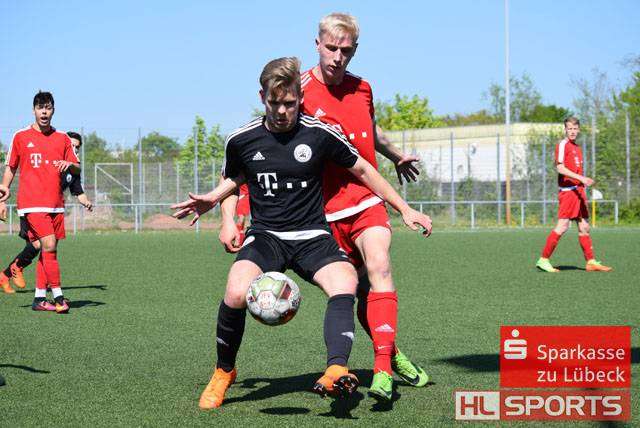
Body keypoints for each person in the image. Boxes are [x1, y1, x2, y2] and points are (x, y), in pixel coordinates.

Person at [172, 57, 432, 410]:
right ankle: (224, 371)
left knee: (345, 282)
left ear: (300, 98)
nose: (282, 111)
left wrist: (404, 208)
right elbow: (233, 178)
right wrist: (225, 215)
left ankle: (336, 369)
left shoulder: (319, 133)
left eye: (290, 103)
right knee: (235, 290)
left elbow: (364, 170)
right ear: (262, 97)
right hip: (267, 236)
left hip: (312, 235)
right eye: (274, 103)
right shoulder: (241, 139)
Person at [299, 12, 429, 400]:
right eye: (331, 48)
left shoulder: (363, 88)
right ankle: (392, 351)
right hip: (323, 212)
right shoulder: (299, 91)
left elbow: (370, 130)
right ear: (317, 44)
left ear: (355, 50)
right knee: (358, 299)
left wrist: (395, 155)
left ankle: (383, 370)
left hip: (367, 199)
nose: (338, 57)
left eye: (347, 51)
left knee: (380, 265)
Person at [0, 91, 81, 313]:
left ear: (53, 110)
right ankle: (59, 298)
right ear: (34, 110)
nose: (44, 112)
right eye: (40, 108)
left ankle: (39, 299)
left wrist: (69, 164)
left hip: (56, 204)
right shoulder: (20, 136)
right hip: (32, 204)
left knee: (47, 251)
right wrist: (4, 189)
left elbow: (77, 167)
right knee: (49, 245)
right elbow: (11, 167)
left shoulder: (63, 138)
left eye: (48, 108)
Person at [0, 131, 92, 295]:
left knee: (47, 246)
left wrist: (86, 202)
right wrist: (2, 200)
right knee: (39, 245)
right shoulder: (50, 158)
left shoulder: (72, 170)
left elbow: (78, 191)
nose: (74, 149)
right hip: (33, 206)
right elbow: (20, 170)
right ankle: (18, 268)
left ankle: (6, 276)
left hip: (53, 210)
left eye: (77, 147)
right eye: (71, 145)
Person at [536, 117, 612, 273]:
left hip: (579, 192)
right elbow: (560, 168)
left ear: (579, 130)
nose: (572, 131)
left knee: (584, 227)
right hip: (568, 192)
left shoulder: (577, 148)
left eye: (575, 128)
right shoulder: (562, 145)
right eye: (569, 128)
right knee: (563, 226)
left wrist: (582, 182)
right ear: (565, 129)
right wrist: (581, 178)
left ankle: (591, 262)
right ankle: (543, 260)